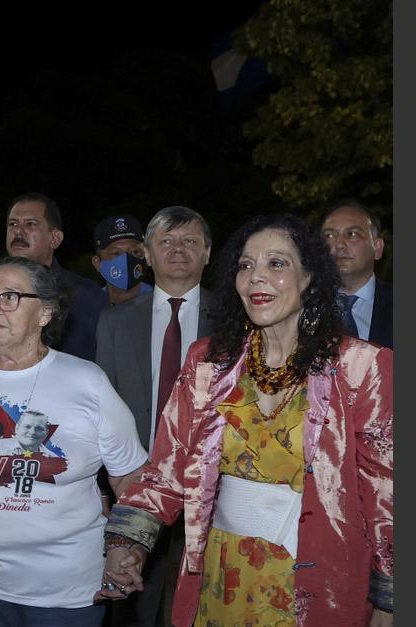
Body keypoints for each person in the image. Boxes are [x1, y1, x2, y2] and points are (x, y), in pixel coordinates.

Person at [98, 214, 393, 627]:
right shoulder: (208, 362)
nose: (256, 277)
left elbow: (387, 491)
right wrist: (128, 543)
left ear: (309, 276)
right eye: (245, 265)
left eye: (276, 263)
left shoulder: (361, 367)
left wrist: (390, 599)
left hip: (319, 582)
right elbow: (167, 471)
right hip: (224, 575)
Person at [0, 256, 148, 627]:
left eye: (10, 297)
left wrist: (127, 544)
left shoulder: (87, 382)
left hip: (68, 593)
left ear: (46, 312)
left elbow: (131, 477)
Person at [94, 205, 214, 627]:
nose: (178, 250)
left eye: (189, 242)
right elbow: (101, 414)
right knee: (133, 607)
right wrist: (107, 491)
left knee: (200, 606)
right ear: (147, 253)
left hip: (213, 495)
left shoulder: (237, 323)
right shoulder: (114, 323)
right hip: (135, 486)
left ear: (207, 253)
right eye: (166, 241)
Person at [0, 193, 108, 363]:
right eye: (12, 224)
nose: (18, 231)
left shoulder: (87, 296)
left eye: (30, 224)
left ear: (55, 239)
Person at [319, 200, 392, 347]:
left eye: (352, 234)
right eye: (329, 236)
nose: (338, 244)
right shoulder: (300, 306)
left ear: (377, 248)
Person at [91, 213, 153, 305]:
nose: (126, 259)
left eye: (134, 252)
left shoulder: (161, 303)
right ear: (97, 263)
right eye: (115, 253)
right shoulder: (89, 306)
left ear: (147, 257)